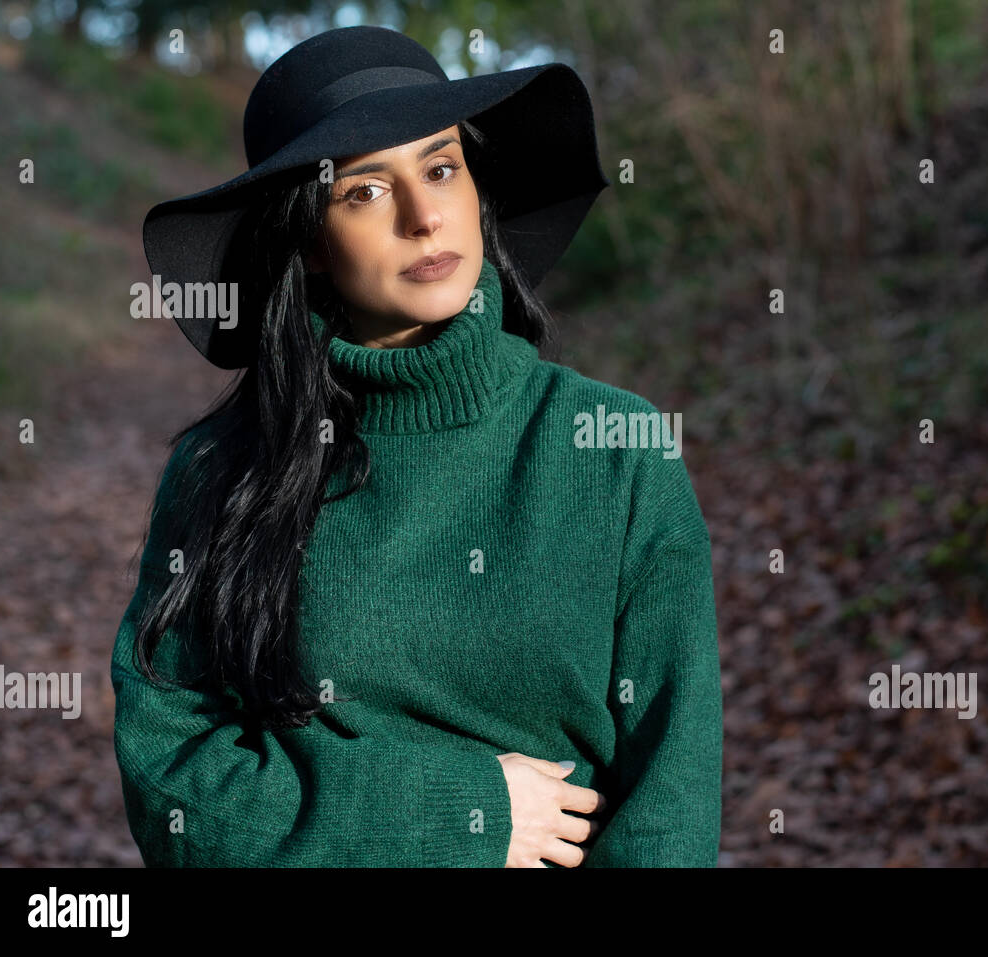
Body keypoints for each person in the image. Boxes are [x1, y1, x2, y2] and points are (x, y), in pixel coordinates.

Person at [113, 25, 722, 867]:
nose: (422, 214)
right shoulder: (223, 472)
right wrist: (456, 814)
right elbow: (174, 785)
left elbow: (672, 803)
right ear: (312, 246)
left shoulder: (617, 452)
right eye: (364, 191)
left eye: (441, 169)